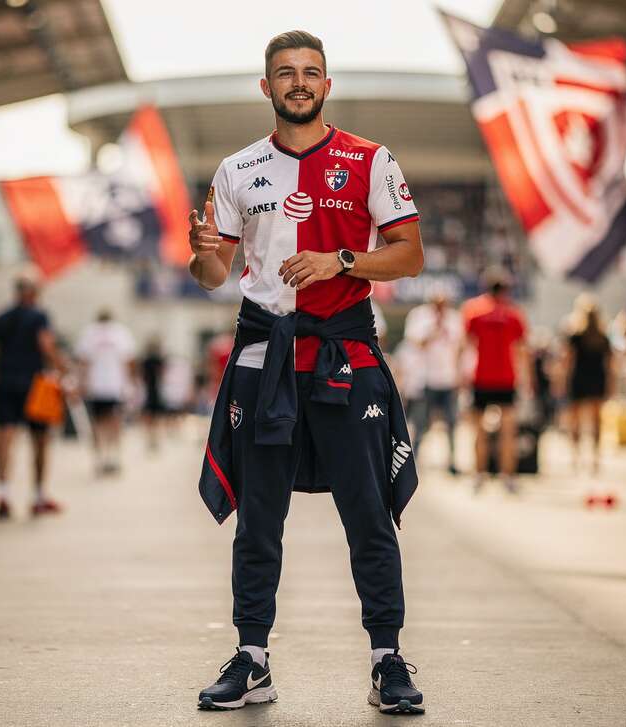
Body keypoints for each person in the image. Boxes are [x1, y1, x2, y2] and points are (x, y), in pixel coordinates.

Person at [188, 31, 425, 714]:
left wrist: (341, 260)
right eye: (285, 74)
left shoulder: (370, 159)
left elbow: (409, 255)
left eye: (311, 72)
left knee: (369, 516)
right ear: (266, 87)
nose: (299, 83)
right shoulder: (236, 170)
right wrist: (202, 253)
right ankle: (251, 657)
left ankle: (388, 657)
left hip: (345, 357)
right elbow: (213, 275)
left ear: (327, 84)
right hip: (265, 360)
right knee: (258, 519)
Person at [0, 276, 64, 520]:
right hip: (35, 384)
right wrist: (62, 370)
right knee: (40, 440)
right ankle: (38, 496)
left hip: (6, 382)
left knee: (4, 437)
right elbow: (46, 346)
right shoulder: (39, 317)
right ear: (32, 294)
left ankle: (2, 493)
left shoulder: (0, 318)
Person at [461, 272, 530, 493]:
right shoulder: (514, 314)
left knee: (478, 431)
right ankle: (507, 478)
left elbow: (465, 346)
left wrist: (461, 375)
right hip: (506, 378)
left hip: (480, 377)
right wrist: (527, 380)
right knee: (508, 431)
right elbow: (522, 351)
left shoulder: (473, 311)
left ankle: (479, 475)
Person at [403, 293, 462, 474]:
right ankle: (414, 459)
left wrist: (459, 374)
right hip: (425, 379)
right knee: (421, 423)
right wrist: (434, 330)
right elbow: (415, 343)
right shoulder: (419, 316)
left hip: (448, 378)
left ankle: (452, 461)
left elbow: (460, 347)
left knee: (451, 423)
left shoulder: (454, 319)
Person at [75, 309, 136, 475]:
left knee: (97, 423)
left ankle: (99, 458)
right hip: (115, 385)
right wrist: (130, 383)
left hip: (96, 386)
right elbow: (129, 360)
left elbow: (83, 361)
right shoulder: (121, 332)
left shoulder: (89, 332)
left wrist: (81, 383)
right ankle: (113, 456)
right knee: (114, 422)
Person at [558, 296, 614, 474]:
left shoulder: (575, 336)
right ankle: (595, 458)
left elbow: (567, 361)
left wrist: (561, 382)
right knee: (596, 421)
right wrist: (611, 385)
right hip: (597, 380)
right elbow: (610, 365)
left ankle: (576, 456)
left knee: (576, 421)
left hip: (579, 380)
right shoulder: (603, 337)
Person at [139, 339, 169, 452]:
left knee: (149, 416)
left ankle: (151, 439)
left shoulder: (146, 360)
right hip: (156, 390)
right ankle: (155, 439)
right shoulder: (158, 360)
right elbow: (162, 374)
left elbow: (143, 376)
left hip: (149, 390)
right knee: (156, 417)